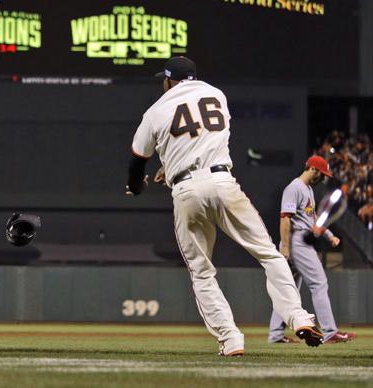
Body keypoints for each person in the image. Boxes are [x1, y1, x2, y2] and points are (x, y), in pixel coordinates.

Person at [126, 56, 324, 356]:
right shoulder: (216, 95)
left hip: (187, 190)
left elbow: (136, 161)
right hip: (222, 181)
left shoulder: (156, 111)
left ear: (168, 80)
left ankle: (230, 338)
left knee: (202, 271)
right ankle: (298, 316)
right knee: (269, 254)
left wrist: (137, 185)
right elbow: (201, 136)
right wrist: (174, 162)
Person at [267, 156, 356, 344]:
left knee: (288, 291)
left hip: (300, 239)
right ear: (313, 169)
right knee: (319, 283)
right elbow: (285, 219)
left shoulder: (307, 190)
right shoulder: (294, 188)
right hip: (296, 240)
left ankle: (275, 334)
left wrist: (329, 235)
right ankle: (330, 331)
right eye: (322, 174)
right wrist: (285, 247)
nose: (323, 179)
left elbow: (313, 222)